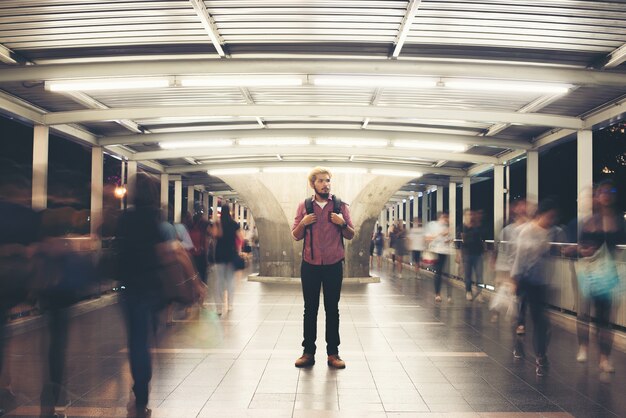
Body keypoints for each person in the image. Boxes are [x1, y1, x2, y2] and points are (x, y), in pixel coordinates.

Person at [291, 167, 354, 369]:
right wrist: (303, 222)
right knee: (310, 310)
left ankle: (333, 354)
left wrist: (342, 223)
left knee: (332, 310)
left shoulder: (340, 206)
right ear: (313, 184)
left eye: (327, 180)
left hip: (334, 265)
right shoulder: (304, 206)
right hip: (310, 264)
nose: (325, 184)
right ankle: (308, 352)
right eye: (320, 181)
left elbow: (351, 234)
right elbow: (295, 235)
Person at [115, 174, 165, 418]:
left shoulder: (125, 219)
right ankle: (142, 392)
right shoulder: (154, 220)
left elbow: (118, 249)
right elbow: (161, 253)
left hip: (128, 287)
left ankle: (140, 387)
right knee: (144, 340)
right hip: (150, 288)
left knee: (135, 340)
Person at [576, 180, 625, 373]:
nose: (606, 195)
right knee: (585, 313)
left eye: (610, 191)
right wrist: (584, 250)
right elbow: (581, 245)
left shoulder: (619, 219)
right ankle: (584, 346)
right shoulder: (590, 220)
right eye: (602, 191)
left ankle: (604, 358)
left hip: (610, 274)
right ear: (597, 196)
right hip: (590, 272)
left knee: (605, 318)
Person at [511, 198, 560, 377]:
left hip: (543, 282)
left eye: (554, 217)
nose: (551, 221)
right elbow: (519, 258)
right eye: (549, 216)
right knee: (524, 317)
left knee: (541, 321)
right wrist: (514, 280)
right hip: (525, 281)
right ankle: (531, 351)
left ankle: (540, 354)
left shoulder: (553, 231)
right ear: (540, 215)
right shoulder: (527, 231)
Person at [491, 199, 528, 323]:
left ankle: (504, 311)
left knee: (508, 290)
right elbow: (502, 247)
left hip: (509, 265)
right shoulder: (509, 229)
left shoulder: (506, 228)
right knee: (511, 290)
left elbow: (498, 246)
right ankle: (512, 315)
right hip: (508, 265)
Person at [212, 203, 242, 315]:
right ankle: (230, 304)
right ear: (229, 212)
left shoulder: (218, 223)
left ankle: (219, 308)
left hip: (219, 255)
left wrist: (217, 224)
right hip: (231, 255)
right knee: (230, 281)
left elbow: (215, 235)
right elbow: (241, 238)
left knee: (219, 281)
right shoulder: (234, 224)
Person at [426, 212, 452, 302]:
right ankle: (437, 294)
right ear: (440, 217)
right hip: (435, 251)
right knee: (438, 272)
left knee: (444, 273)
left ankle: (447, 295)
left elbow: (447, 240)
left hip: (444, 252)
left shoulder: (446, 227)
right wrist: (440, 234)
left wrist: (448, 239)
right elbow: (428, 238)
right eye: (444, 217)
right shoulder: (432, 225)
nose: (446, 219)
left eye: (446, 217)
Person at [461, 210, 486, 301]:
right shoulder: (463, 227)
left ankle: (480, 293)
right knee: (468, 275)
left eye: (471, 214)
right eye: (468, 214)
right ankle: (468, 291)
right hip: (467, 254)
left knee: (479, 275)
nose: (470, 216)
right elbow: (463, 240)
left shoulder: (477, 226)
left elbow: (482, 236)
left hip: (478, 254)